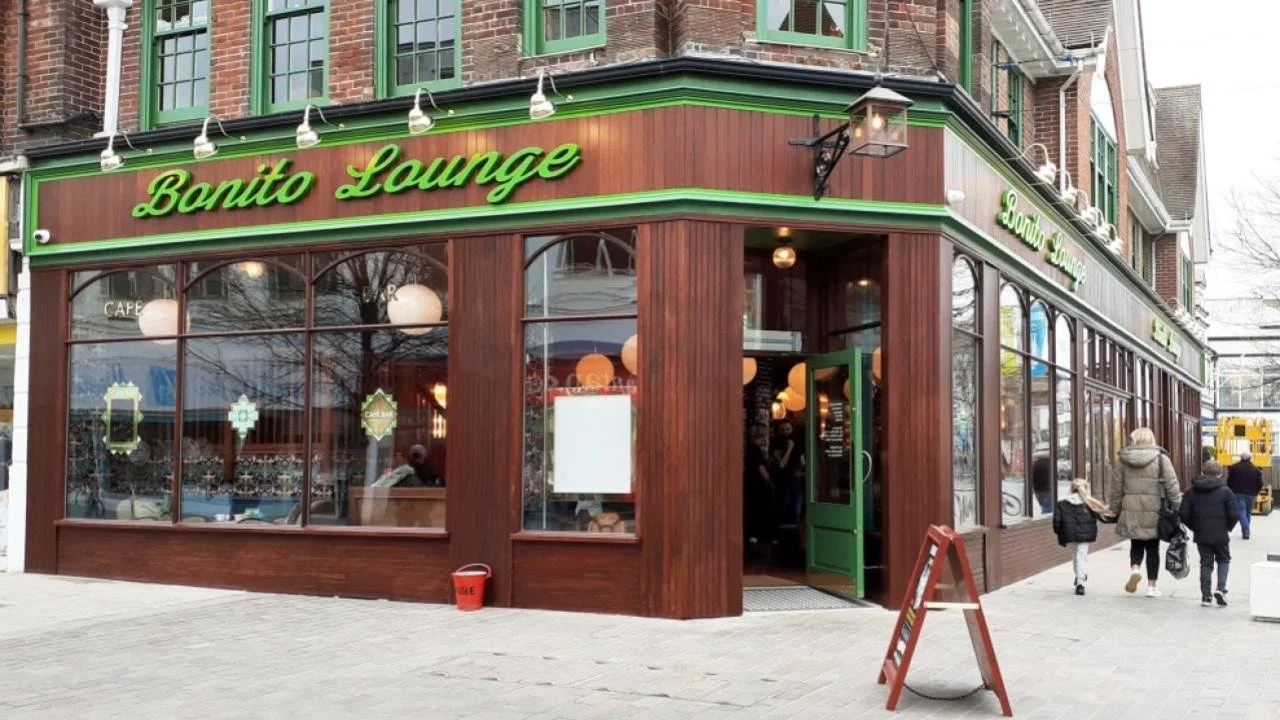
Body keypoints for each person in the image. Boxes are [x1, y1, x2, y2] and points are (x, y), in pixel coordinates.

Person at [1108, 427, 1181, 598]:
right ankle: (1152, 587)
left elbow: (1116, 490)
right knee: (1153, 548)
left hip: (1131, 509)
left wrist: (1114, 510)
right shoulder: (1162, 459)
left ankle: (1135, 569)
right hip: (1155, 510)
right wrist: (1178, 507)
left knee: (1136, 543)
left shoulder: (1123, 460)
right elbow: (1172, 486)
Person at [1179, 460, 1236, 607]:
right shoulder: (1226, 492)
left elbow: (1183, 514)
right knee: (1224, 559)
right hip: (1221, 533)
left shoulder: (1190, 492)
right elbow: (1233, 514)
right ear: (1220, 474)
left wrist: (1195, 527)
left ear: (1202, 472)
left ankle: (1206, 596)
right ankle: (1221, 588)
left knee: (1205, 563)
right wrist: (1228, 527)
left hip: (1202, 534)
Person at [1052, 478, 1112, 596]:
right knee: (1081, 557)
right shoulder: (1089, 503)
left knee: (1076, 555)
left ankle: (1079, 576)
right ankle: (1080, 582)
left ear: (1071, 489)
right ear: (1086, 489)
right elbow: (1103, 517)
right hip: (1084, 536)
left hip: (1068, 534)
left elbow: (1056, 522)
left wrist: (1059, 533)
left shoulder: (1061, 504)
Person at [743, 424, 775, 558]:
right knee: (758, 514)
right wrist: (770, 483)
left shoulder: (749, 448)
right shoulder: (755, 449)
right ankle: (755, 544)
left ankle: (752, 542)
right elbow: (761, 469)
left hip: (750, 484)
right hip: (758, 486)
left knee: (752, 513)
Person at [1226, 450, 1263, 540]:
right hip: (1251, 494)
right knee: (1247, 512)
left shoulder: (1234, 468)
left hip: (1238, 493)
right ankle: (1246, 531)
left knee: (1241, 511)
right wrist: (1256, 492)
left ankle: (1246, 531)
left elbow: (1229, 481)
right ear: (1250, 458)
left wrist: (1231, 490)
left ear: (1241, 457)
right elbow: (1260, 484)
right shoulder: (1256, 469)